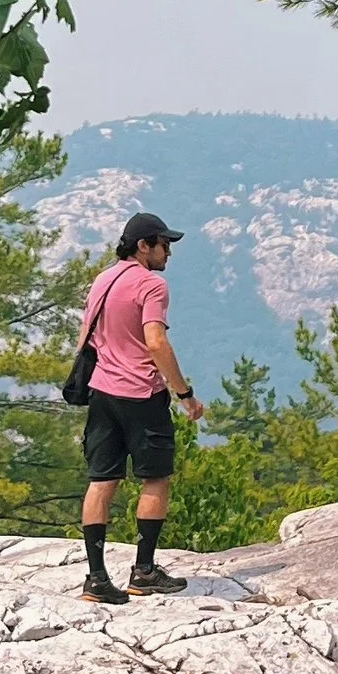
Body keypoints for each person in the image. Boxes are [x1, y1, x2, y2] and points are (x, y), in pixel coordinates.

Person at [76, 211, 205, 602]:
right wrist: (185, 394)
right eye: (164, 244)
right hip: (141, 394)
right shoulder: (151, 285)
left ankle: (96, 578)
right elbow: (156, 343)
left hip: (102, 392)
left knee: (102, 481)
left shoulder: (103, 279)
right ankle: (144, 571)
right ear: (143, 246)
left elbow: (89, 336)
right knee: (155, 478)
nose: (168, 252)